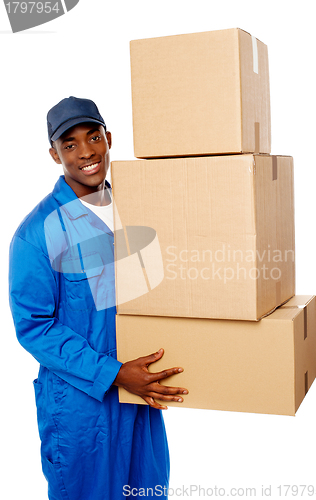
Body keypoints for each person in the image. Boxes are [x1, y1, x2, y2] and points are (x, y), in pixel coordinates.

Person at [8, 96, 188, 500]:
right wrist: (114, 373)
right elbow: (35, 328)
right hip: (81, 408)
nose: (86, 152)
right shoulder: (36, 233)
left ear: (109, 139)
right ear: (54, 155)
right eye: (69, 144)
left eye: (93, 137)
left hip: (140, 394)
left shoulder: (138, 206)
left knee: (146, 490)